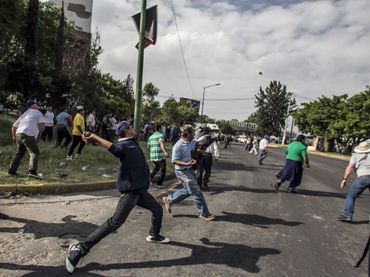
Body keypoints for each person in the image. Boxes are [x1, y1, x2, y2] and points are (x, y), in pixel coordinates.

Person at [65, 120, 170, 274]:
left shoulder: (131, 142)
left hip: (140, 190)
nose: (134, 129)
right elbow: (114, 149)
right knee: (115, 222)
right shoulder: (124, 146)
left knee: (157, 210)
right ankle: (80, 249)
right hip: (131, 191)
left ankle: (154, 234)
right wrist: (95, 137)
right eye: (131, 127)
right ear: (126, 130)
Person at [162, 125, 215, 221]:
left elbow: (196, 150)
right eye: (192, 133)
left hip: (190, 170)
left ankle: (169, 200)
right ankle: (204, 213)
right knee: (196, 191)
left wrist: (200, 151)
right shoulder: (178, 146)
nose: (194, 134)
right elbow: (174, 161)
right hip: (182, 171)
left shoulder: (193, 142)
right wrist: (186, 163)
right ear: (187, 134)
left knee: (188, 190)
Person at [8, 100, 45, 178]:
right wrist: (41, 132)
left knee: (19, 153)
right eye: (36, 104)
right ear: (32, 106)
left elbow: (14, 126)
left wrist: (14, 136)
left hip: (19, 134)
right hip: (28, 134)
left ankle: (11, 171)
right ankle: (32, 171)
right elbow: (42, 126)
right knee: (34, 152)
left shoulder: (24, 114)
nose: (37, 106)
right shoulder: (38, 112)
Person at [337, 140, 370, 222]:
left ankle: (347, 215)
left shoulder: (355, 156)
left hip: (363, 178)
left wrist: (345, 179)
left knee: (351, 196)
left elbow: (350, 167)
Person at [147, 124, 169, 188]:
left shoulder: (151, 137)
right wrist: (165, 152)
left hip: (153, 156)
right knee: (163, 169)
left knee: (157, 167)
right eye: (161, 128)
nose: (162, 130)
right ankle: (159, 183)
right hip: (159, 155)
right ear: (159, 129)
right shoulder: (160, 135)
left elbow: (148, 147)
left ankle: (149, 178)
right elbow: (161, 144)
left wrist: (151, 152)